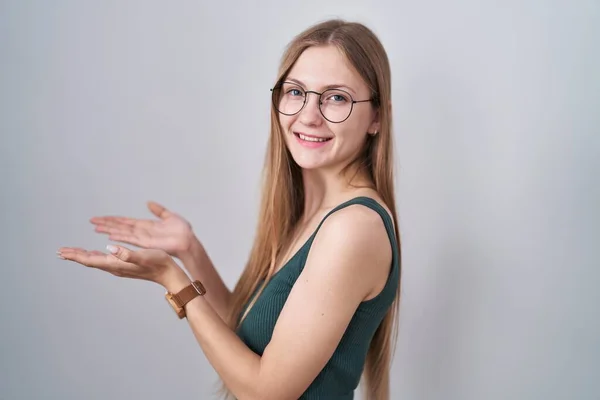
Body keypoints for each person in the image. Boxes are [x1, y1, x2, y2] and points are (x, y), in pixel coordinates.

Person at [58, 18, 402, 400]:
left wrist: (175, 281)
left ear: (376, 117)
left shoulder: (353, 228)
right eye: (295, 92)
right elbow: (246, 338)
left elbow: (265, 391)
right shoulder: (316, 214)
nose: (308, 115)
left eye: (336, 97)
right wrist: (190, 251)